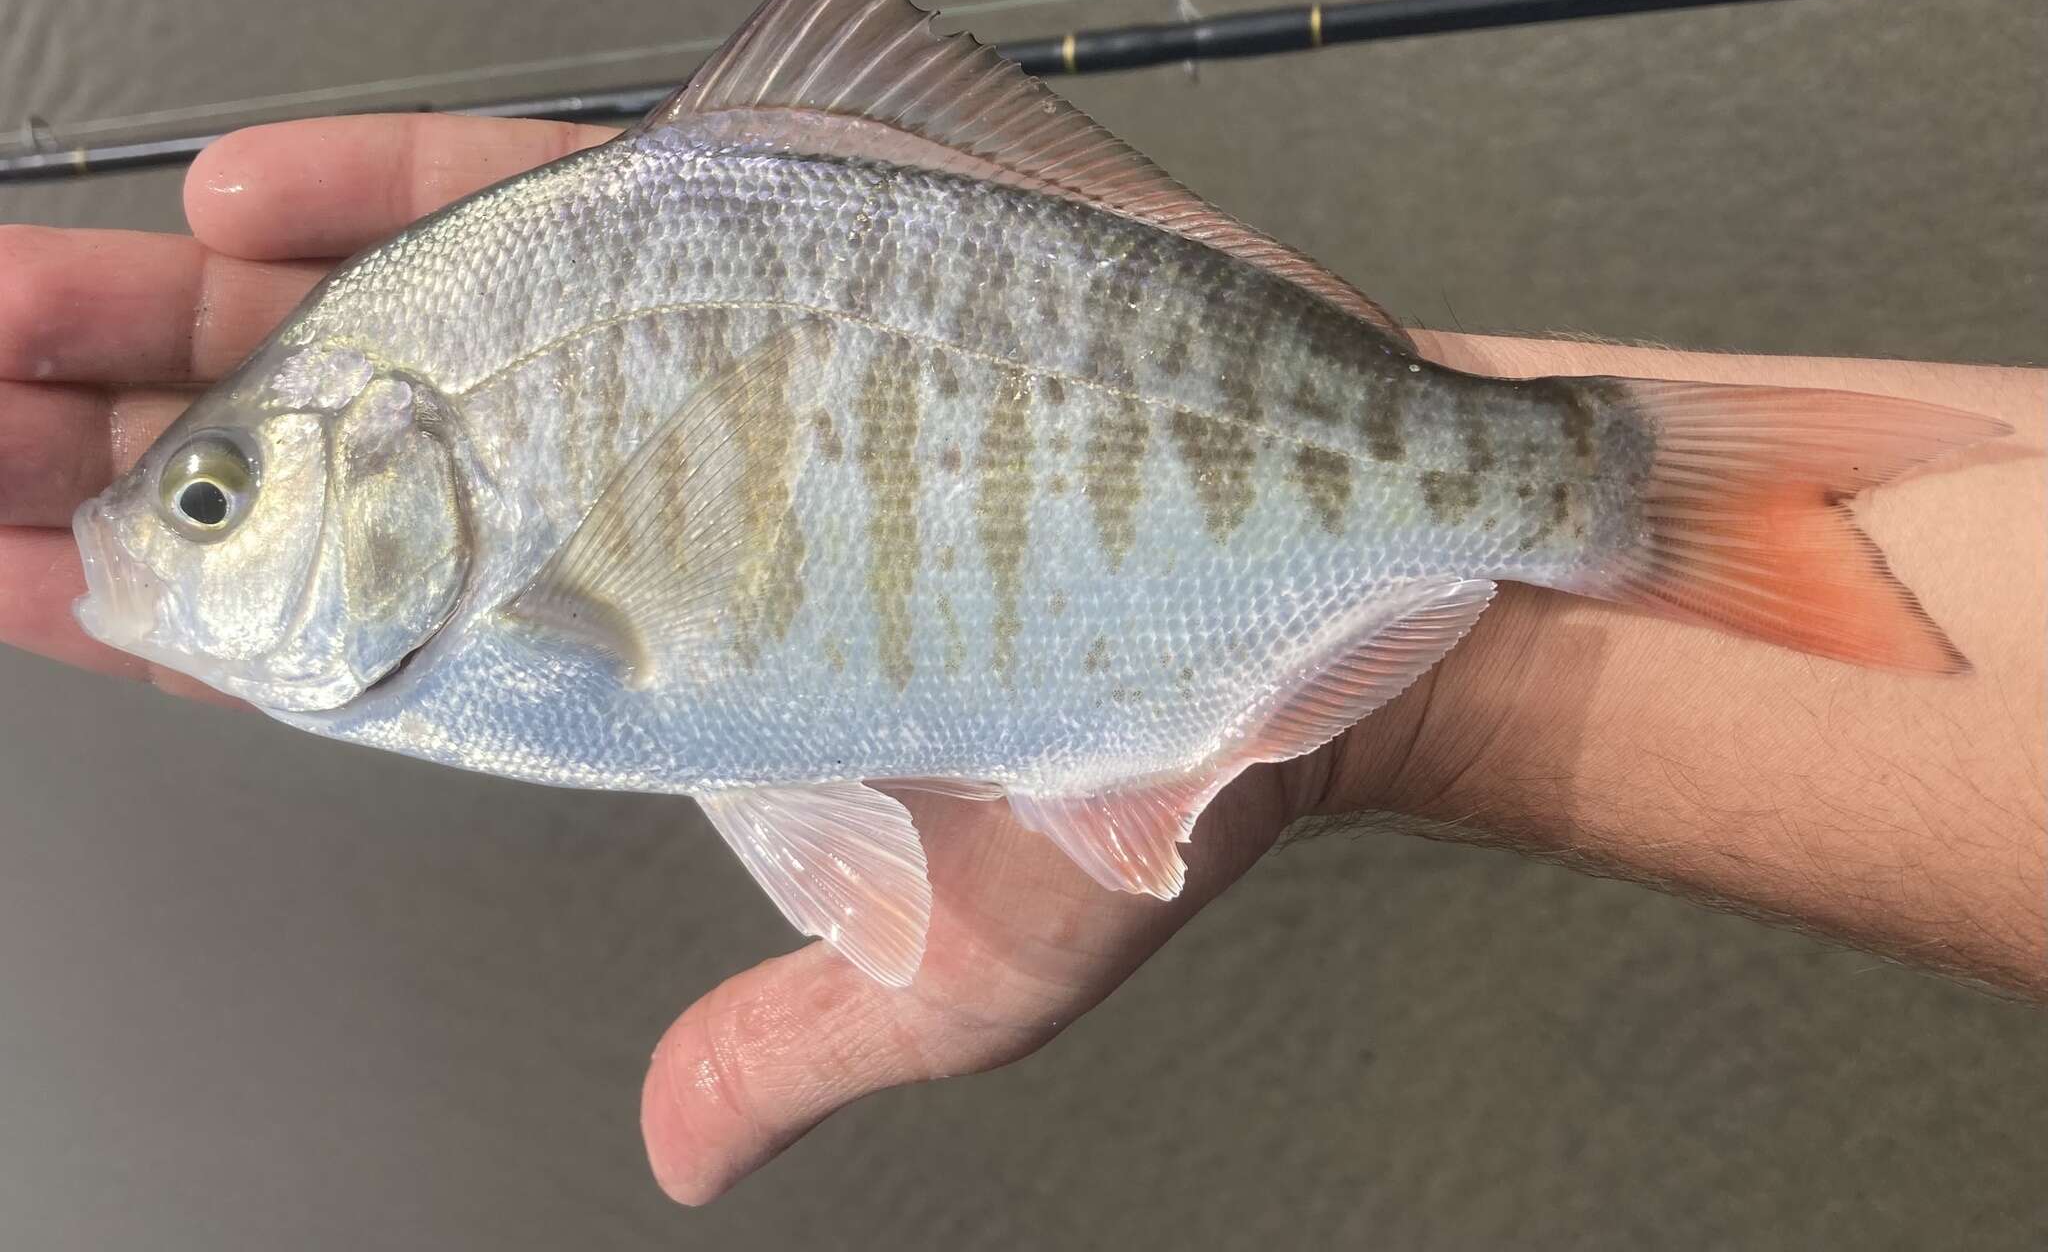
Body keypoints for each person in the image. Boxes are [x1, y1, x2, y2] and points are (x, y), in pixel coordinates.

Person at [1, 115, 2039, 1204]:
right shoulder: (469, 496)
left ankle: (1582, 484)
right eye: (212, 500)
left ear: (393, 471)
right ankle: (1568, 482)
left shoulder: (476, 566)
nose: (166, 538)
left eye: (208, 503)